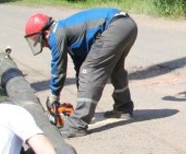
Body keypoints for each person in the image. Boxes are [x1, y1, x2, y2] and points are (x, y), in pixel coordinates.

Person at [24, 8, 138, 138]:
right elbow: (80, 68)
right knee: (115, 69)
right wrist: (82, 96)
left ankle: (77, 125)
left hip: (115, 26)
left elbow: (59, 68)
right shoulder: (70, 35)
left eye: (41, 42)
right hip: (128, 25)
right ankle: (123, 108)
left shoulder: (56, 33)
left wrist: (54, 96)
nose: (44, 46)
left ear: (45, 33)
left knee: (90, 70)